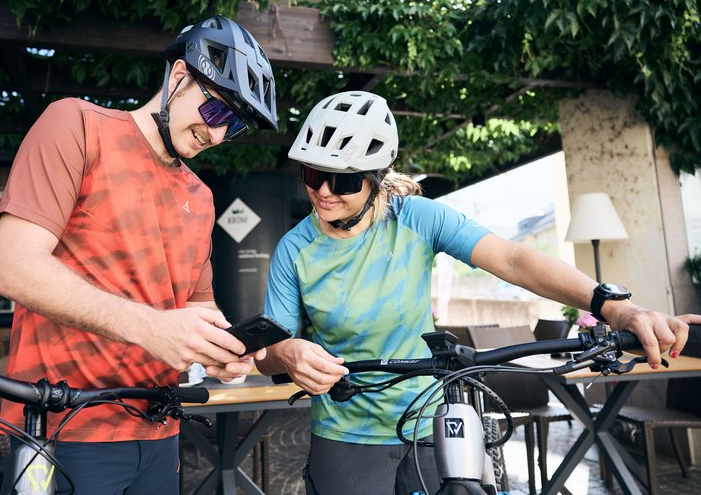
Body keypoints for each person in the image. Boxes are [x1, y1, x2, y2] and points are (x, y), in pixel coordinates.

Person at [256, 91, 701, 495]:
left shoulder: (416, 218)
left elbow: (512, 259)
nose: (323, 192)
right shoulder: (295, 250)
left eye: (344, 181)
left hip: (426, 422)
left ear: (376, 178)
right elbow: (267, 353)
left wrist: (616, 308)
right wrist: (287, 353)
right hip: (344, 435)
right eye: (313, 174)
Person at [0, 15, 278, 493]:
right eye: (217, 112)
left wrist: (221, 349)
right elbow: (13, 267)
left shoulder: (201, 196)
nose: (217, 135)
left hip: (161, 430)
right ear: (180, 76)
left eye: (234, 127)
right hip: (65, 425)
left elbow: (198, 307)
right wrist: (151, 327)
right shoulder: (77, 125)